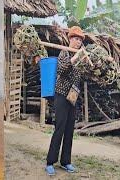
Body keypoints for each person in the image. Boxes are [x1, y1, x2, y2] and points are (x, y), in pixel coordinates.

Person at [45, 26, 89, 176]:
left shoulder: (81, 56)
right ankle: (50, 162)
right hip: (61, 95)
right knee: (60, 127)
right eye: (76, 39)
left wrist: (87, 62)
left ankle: (66, 161)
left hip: (73, 97)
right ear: (70, 39)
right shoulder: (64, 52)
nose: (78, 42)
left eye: (80, 40)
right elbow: (62, 69)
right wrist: (74, 58)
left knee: (70, 129)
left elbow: (84, 74)